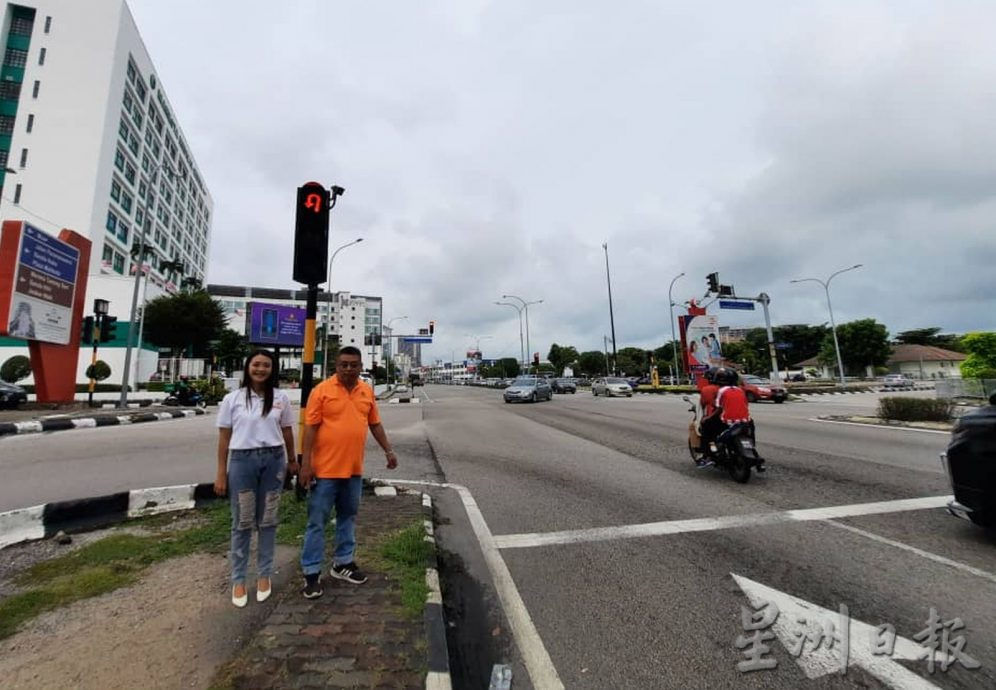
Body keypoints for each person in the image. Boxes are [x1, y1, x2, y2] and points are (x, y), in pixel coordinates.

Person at [298, 346, 398, 599]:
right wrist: (305, 464)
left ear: (361, 366)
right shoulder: (321, 391)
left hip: (353, 470)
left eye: (354, 364)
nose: (349, 368)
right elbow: (310, 429)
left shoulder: (366, 391)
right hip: (324, 471)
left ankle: (343, 563)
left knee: (348, 517)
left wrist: (388, 450)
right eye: (344, 364)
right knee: (316, 522)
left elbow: (374, 423)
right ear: (336, 365)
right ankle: (311, 573)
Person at [214, 349, 297, 608]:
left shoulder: (281, 398)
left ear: (273, 370)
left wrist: (292, 460)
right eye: (256, 364)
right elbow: (224, 438)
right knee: (242, 521)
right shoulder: (233, 399)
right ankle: (239, 579)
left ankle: (264, 574)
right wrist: (220, 472)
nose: (261, 369)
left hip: (273, 461)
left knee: (269, 519)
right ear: (248, 367)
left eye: (266, 365)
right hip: (242, 461)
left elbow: (287, 432)